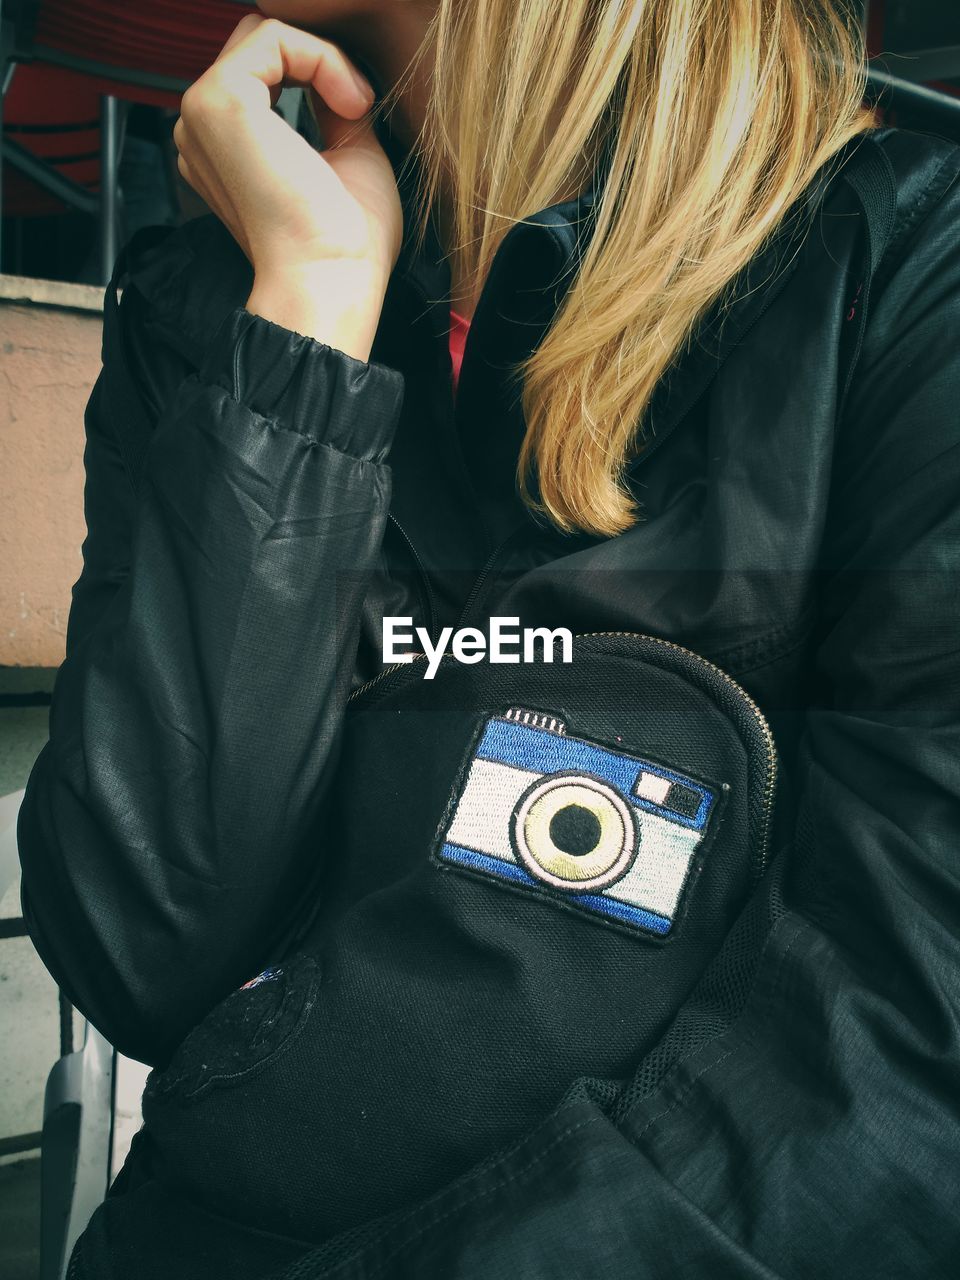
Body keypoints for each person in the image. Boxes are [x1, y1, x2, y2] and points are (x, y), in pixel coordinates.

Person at [16, 1, 960, 1276]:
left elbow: (899, 1069)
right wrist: (309, 318)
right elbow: (141, 946)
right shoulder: (222, 294)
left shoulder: (906, 264)